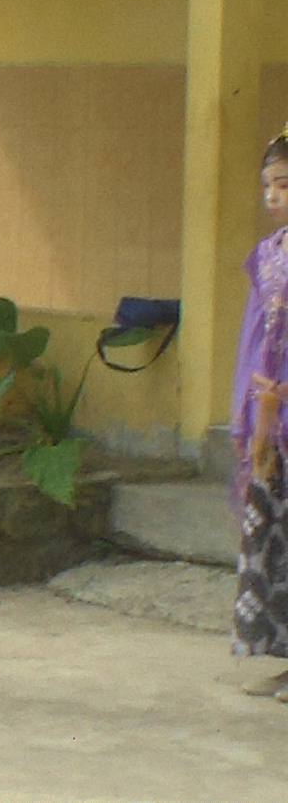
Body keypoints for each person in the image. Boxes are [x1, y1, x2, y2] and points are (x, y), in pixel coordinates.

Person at [229, 128, 288, 702]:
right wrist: (247, 416)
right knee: (272, 544)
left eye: (285, 184)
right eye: (268, 185)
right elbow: (251, 343)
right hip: (271, 427)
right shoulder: (268, 258)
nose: (273, 197)